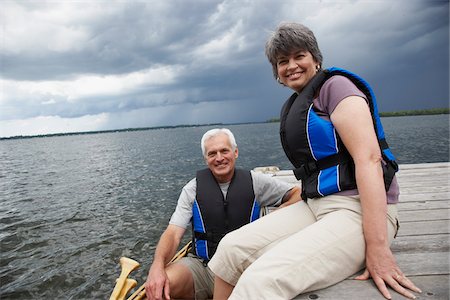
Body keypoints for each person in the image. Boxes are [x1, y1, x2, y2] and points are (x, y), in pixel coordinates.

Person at [209, 23, 422, 300]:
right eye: (282, 61)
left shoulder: (337, 88)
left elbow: (368, 160)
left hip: (357, 209)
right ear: (277, 72)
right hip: (316, 205)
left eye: (299, 56)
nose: (291, 66)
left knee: (262, 279)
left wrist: (378, 247)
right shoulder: (296, 104)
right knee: (230, 248)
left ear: (316, 59)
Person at [144, 128, 308, 300]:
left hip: (242, 270)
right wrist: (157, 266)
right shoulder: (192, 189)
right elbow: (173, 234)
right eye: (212, 153)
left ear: (235, 152)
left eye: (224, 151)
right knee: (161, 288)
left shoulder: (255, 182)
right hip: (202, 265)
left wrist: (269, 220)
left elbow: (297, 194)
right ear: (205, 159)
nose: (219, 158)